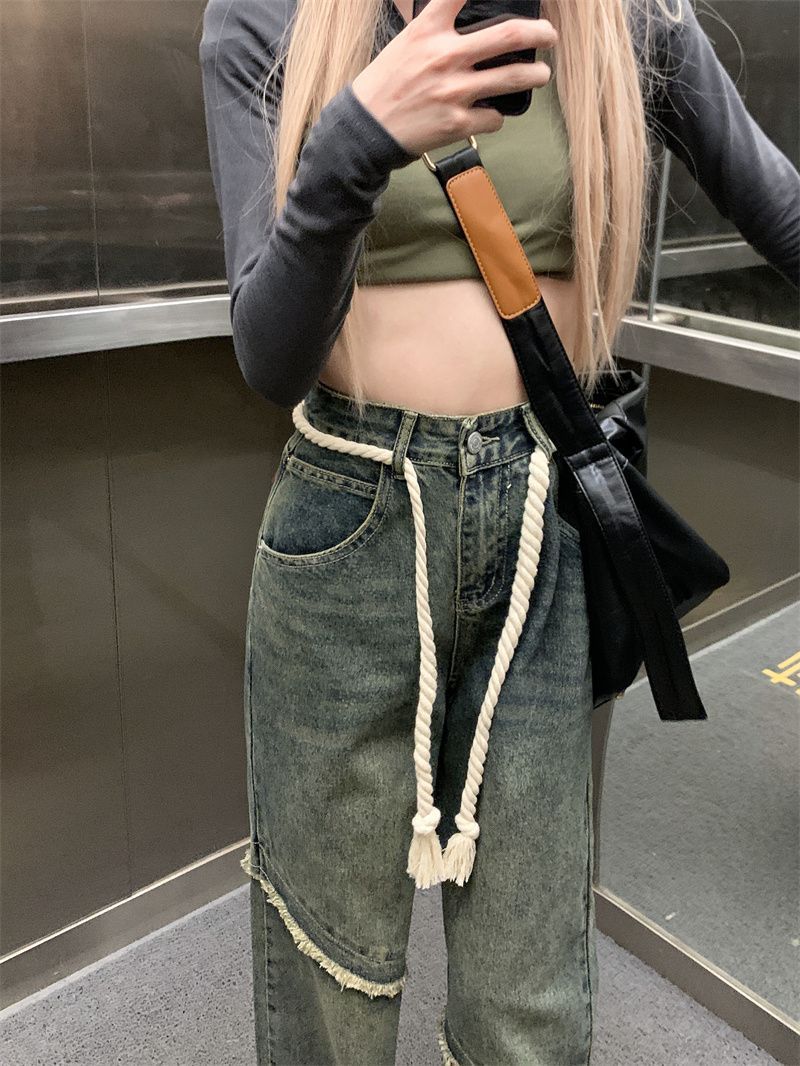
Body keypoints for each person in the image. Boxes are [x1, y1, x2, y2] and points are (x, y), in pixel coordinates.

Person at [198, 0, 800, 1062]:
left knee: (531, 992)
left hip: (540, 518)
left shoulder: (627, 22)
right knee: (323, 960)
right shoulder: (267, 17)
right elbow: (270, 358)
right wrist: (358, 140)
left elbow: (781, 211)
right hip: (349, 518)